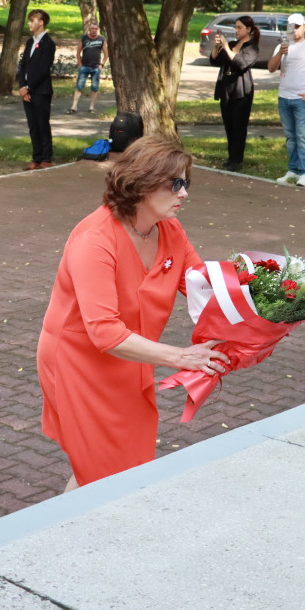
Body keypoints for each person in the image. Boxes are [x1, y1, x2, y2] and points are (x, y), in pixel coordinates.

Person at [37, 136, 231, 491]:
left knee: (117, 467)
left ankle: (64, 532)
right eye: (175, 184)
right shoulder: (95, 240)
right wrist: (182, 357)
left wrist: (266, 308)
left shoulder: (169, 230)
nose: (184, 193)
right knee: (102, 471)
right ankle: (76, 537)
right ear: (142, 184)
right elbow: (105, 333)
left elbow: (205, 290)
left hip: (130, 359)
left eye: (186, 183)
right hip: (79, 365)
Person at [268, 13, 305, 188]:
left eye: (297, 27)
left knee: (302, 137)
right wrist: (281, 52)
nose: (294, 31)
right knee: (290, 137)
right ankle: (293, 169)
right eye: (290, 27)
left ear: (304, 27)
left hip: (302, 99)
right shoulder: (283, 46)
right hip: (284, 97)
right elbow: (272, 68)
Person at [210, 14, 259, 172]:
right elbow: (215, 61)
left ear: (248, 29)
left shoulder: (252, 47)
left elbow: (240, 63)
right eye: (235, 27)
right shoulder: (232, 44)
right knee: (229, 125)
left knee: (239, 125)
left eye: (239, 27)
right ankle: (231, 157)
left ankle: (237, 160)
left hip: (241, 89)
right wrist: (216, 47)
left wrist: (226, 47)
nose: (236, 30)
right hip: (226, 88)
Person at [18, 9, 56, 170]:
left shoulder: (48, 43)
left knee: (42, 124)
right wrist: (22, 86)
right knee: (32, 125)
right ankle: (36, 157)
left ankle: (46, 158)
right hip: (27, 90)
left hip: (40, 90)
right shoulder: (29, 42)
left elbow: (42, 69)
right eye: (29, 20)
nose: (29, 23)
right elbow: (24, 65)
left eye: (32, 20)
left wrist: (29, 87)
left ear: (41, 22)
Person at [67, 22, 108, 114]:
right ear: (89, 29)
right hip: (84, 66)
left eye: (95, 29)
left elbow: (106, 54)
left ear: (98, 29)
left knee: (94, 88)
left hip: (96, 67)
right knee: (79, 86)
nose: (94, 30)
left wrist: (102, 64)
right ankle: (74, 107)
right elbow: (78, 52)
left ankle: (91, 107)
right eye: (92, 28)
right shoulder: (84, 38)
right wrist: (80, 64)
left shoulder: (101, 39)